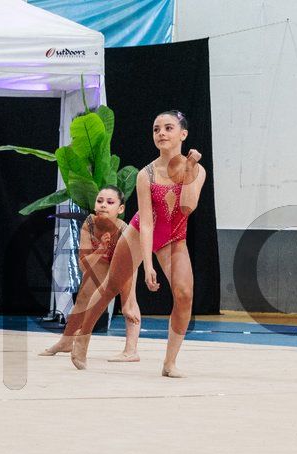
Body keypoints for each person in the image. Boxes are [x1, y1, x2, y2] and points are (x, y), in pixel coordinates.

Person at [70, 110, 206, 377]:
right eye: (156, 129)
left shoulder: (198, 170)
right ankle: (83, 336)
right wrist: (147, 265)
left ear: (183, 134)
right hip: (140, 231)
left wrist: (189, 168)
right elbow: (146, 223)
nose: (161, 133)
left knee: (184, 295)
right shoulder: (146, 174)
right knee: (111, 285)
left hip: (174, 237)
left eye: (168, 128)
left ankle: (169, 363)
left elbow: (187, 207)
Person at [39, 186, 141, 361]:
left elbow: (129, 269)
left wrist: (126, 302)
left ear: (120, 209)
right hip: (102, 257)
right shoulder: (90, 223)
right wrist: (100, 249)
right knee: (83, 298)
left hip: (127, 262)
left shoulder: (124, 230)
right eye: (100, 201)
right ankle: (65, 342)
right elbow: (83, 265)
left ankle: (131, 350)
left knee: (130, 306)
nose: (103, 205)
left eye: (110, 202)